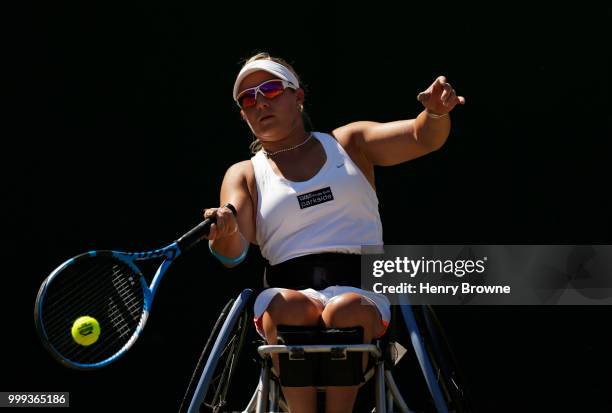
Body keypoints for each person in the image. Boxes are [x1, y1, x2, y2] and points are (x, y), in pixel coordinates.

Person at [203, 52, 465, 413]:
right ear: (243, 114)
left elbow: (423, 137)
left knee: (347, 310)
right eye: (247, 98)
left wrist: (435, 112)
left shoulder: (350, 143)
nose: (260, 101)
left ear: (298, 97)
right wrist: (225, 227)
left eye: (271, 89)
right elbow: (232, 253)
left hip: (360, 294)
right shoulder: (244, 174)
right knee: (290, 306)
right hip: (287, 296)